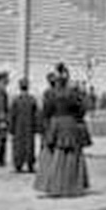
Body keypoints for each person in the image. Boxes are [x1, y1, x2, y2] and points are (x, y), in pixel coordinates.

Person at [38, 63, 90, 197]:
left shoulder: (50, 93)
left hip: (55, 124)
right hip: (70, 124)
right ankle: (71, 185)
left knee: (54, 154)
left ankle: (55, 185)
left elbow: (46, 111)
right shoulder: (73, 93)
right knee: (71, 155)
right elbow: (82, 109)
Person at [9, 77, 38, 172]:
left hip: (19, 127)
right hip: (29, 126)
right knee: (29, 145)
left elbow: (12, 115)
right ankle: (30, 164)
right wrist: (36, 127)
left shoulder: (16, 100)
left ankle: (18, 164)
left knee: (18, 145)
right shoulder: (32, 99)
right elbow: (36, 115)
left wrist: (11, 128)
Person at [34, 72, 57, 192]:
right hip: (52, 122)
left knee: (46, 145)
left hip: (49, 122)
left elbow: (45, 110)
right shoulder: (53, 92)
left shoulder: (48, 93)